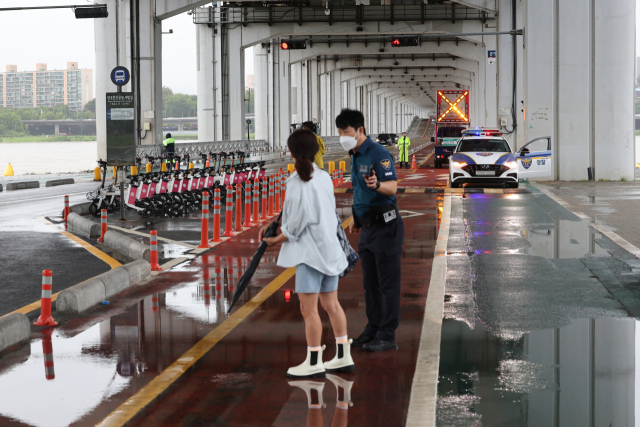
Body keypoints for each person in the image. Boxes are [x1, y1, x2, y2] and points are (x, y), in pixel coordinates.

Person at [260, 128, 353, 377]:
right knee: (332, 304)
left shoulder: (298, 182)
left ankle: (314, 361)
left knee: (308, 310)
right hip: (329, 249)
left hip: (310, 255)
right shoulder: (323, 177)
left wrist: (276, 239)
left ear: (291, 154)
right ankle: (343, 356)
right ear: (314, 151)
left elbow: (297, 224)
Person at [336, 108, 404, 352]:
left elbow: (393, 187)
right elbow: (358, 190)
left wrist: (378, 185)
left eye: (346, 132)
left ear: (360, 131)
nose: (342, 136)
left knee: (388, 285)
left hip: (386, 227)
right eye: (340, 132)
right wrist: (355, 217)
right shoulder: (354, 154)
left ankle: (388, 334)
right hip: (367, 229)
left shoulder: (378, 153)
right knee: (370, 284)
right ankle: (373, 327)